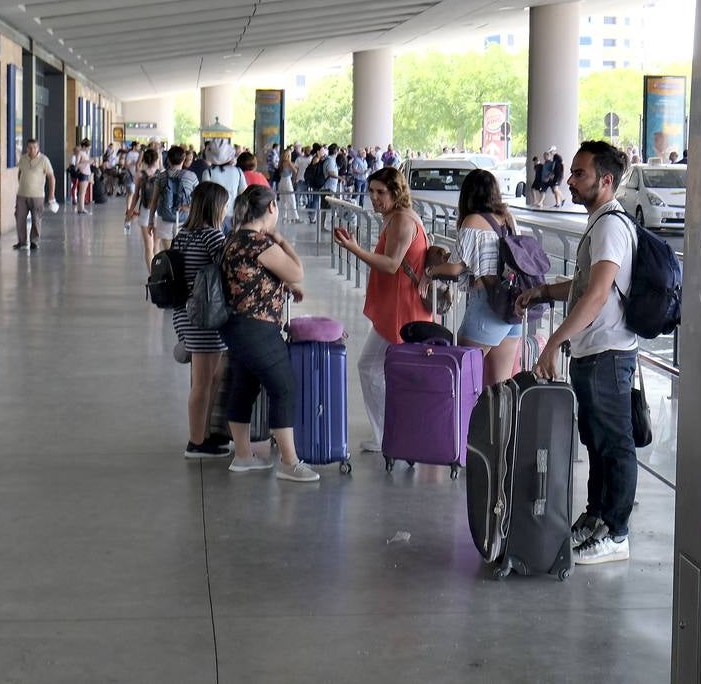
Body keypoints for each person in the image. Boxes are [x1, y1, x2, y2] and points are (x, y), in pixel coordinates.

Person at [516, 141, 637, 566]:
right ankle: (599, 516)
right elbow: (585, 284)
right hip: (594, 352)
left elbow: (598, 294)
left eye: (580, 173)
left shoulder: (610, 226)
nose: (570, 179)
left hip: (608, 352)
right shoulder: (599, 222)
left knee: (615, 444)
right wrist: (545, 291)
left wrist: (552, 343)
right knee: (598, 440)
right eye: (571, 171)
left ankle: (617, 533)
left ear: (605, 180)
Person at [220, 186, 320, 482]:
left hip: (235, 326)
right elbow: (297, 271)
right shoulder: (258, 242)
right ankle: (289, 463)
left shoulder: (234, 239)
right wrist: (283, 241)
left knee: (244, 386)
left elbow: (248, 280)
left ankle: (242, 455)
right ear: (272, 208)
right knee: (284, 387)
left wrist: (282, 288)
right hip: (258, 327)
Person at [332, 166, 433, 453]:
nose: (374, 198)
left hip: (402, 309)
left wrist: (354, 248)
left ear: (395, 193)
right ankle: (393, 430)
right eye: (371, 191)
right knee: (385, 369)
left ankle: (387, 433)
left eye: (381, 192)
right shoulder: (395, 218)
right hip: (397, 306)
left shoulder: (401, 221)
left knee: (371, 367)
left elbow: (391, 265)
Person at [424, 169, 523, 385]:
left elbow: (454, 270)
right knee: (499, 386)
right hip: (511, 307)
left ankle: (463, 420)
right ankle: (501, 420)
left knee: (460, 379)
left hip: (487, 307)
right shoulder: (507, 218)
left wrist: (430, 272)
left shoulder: (472, 220)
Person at [171, 182, 234, 459]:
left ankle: (205, 433)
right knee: (203, 382)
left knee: (209, 377)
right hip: (206, 316)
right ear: (215, 207)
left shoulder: (183, 235)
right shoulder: (212, 237)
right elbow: (230, 270)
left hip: (186, 312)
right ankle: (197, 441)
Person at [147, 145, 198, 252]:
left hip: (165, 220)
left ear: (168, 160)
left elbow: (154, 200)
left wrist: (150, 222)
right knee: (183, 254)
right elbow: (199, 199)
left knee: (170, 253)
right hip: (185, 221)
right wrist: (188, 208)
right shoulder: (191, 176)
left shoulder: (161, 176)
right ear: (183, 159)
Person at [13, 138, 56, 251]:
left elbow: (51, 177)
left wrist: (51, 194)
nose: (32, 150)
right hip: (22, 195)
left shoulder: (44, 160)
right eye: (30, 148)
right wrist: (22, 184)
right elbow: (20, 173)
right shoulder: (23, 158)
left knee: (36, 219)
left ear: (38, 148)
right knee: (19, 218)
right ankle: (21, 242)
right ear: (27, 148)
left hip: (37, 196)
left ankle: (34, 241)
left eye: (35, 147)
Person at [127, 147, 162, 270]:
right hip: (159, 212)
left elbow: (136, 196)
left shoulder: (140, 174)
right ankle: (159, 274)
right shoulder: (161, 174)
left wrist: (130, 212)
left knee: (148, 247)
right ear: (157, 160)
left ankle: (152, 275)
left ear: (144, 160)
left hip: (145, 213)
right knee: (157, 247)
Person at [277, 149, 300, 223]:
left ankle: (284, 217)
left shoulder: (280, 162)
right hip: (287, 181)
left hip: (281, 181)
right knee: (291, 199)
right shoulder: (288, 162)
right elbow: (295, 171)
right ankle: (295, 217)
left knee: (283, 200)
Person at [74, 139, 94, 212]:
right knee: (82, 192)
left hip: (86, 173)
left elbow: (85, 163)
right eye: (88, 147)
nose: (89, 149)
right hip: (82, 173)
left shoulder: (85, 153)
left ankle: (81, 208)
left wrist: (89, 162)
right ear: (84, 146)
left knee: (83, 192)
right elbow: (77, 165)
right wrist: (88, 162)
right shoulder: (80, 153)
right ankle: (81, 208)